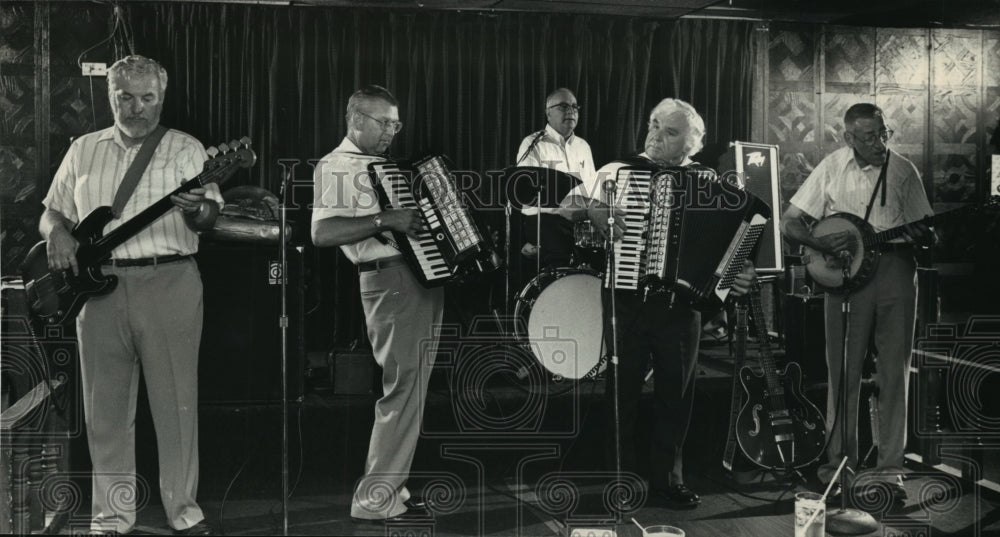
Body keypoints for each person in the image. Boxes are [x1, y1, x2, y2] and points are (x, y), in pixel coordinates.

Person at [39, 55, 220, 535]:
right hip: (98, 291)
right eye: (127, 97)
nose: (138, 108)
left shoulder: (185, 149)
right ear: (110, 95)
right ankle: (111, 518)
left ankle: (184, 513)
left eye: (148, 98)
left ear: (161, 97)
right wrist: (56, 231)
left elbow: (209, 219)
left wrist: (198, 208)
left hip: (169, 280)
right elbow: (52, 211)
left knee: (176, 405)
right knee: (105, 411)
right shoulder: (83, 149)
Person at [560, 98, 756, 508]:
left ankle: (668, 479)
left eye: (669, 131)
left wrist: (738, 270)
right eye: (653, 124)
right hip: (627, 298)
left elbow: (736, 240)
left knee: (676, 395)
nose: (655, 135)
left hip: (683, 307)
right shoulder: (618, 171)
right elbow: (567, 205)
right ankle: (621, 480)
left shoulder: (709, 181)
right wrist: (597, 210)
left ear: (692, 144)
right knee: (622, 392)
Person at [780, 103, 934, 505]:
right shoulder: (831, 166)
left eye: (883, 133)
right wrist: (820, 244)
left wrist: (926, 236)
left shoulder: (904, 170)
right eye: (868, 136)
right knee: (842, 373)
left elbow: (926, 230)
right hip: (845, 279)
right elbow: (790, 221)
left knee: (894, 374)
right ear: (848, 137)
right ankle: (837, 469)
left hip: (897, 269)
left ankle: (890, 471)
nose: (879, 142)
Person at [311, 85, 443, 524]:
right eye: (384, 122)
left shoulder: (383, 166)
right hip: (390, 281)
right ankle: (374, 499)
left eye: (396, 123)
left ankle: (392, 486)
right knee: (403, 389)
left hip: (414, 279)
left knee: (412, 390)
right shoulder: (336, 166)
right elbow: (322, 233)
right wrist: (386, 219)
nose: (392, 131)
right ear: (356, 120)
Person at [515, 88, 596, 268]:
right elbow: (527, 192)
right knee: (561, 255)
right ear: (548, 113)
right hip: (544, 222)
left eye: (575, 107)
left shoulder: (583, 146)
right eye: (564, 106)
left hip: (579, 221)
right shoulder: (533, 143)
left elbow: (591, 189)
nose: (571, 111)